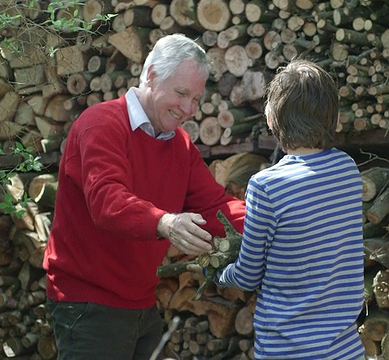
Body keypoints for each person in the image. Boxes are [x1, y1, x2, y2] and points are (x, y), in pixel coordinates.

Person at [42, 33, 245, 360]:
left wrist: (267, 220)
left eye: (195, 98)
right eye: (181, 93)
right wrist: (165, 222)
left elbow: (215, 206)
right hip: (88, 303)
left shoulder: (179, 144)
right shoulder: (101, 124)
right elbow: (108, 202)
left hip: (140, 300)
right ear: (150, 76)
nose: (188, 108)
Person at [212, 60, 366, 359]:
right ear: (333, 118)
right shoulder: (347, 170)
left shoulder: (266, 186)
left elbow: (247, 276)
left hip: (286, 350)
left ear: (272, 119)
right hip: (344, 349)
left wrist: (218, 272)